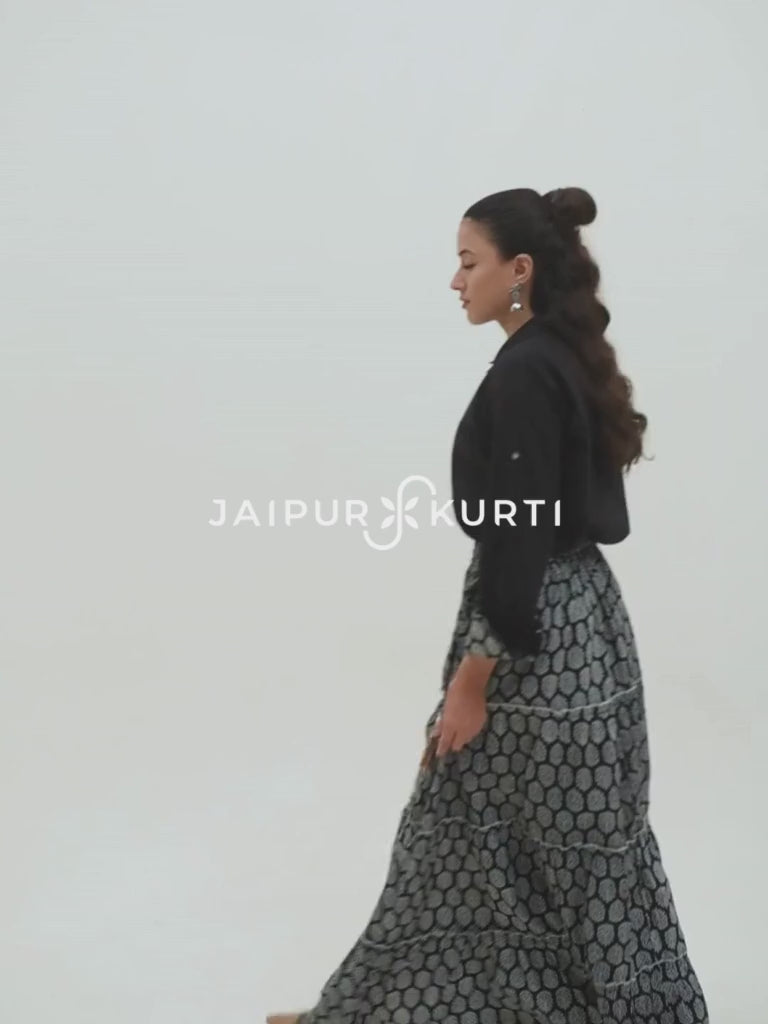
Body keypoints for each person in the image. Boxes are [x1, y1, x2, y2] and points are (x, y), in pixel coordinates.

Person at [267, 187, 709, 1023]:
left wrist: (472, 680)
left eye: (468, 262)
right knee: (555, 844)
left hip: (533, 641)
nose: (455, 280)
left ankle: (365, 1013)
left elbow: (518, 537)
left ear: (520, 269)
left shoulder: (526, 373)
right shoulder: (561, 356)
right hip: (582, 624)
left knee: (493, 837)